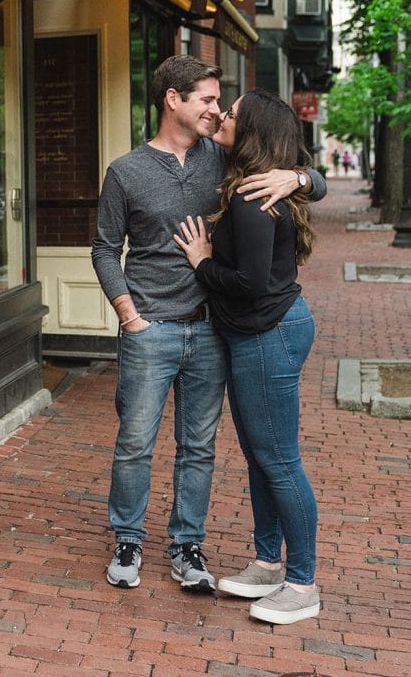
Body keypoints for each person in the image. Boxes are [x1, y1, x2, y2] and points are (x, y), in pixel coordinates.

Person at [91, 56, 325, 594]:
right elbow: (105, 250)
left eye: (221, 104)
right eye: (208, 100)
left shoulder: (222, 161)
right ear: (173, 99)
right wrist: (130, 317)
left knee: (199, 446)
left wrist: (299, 176)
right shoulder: (125, 172)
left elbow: (304, 175)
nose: (217, 112)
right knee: (135, 443)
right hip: (152, 329)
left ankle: (187, 545)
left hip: (213, 330)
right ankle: (128, 538)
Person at [173, 89, 321, 625]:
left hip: (268, 334)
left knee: (279, 461)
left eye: (231, 112)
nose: (222, 116)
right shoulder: (255, 182)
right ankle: (266, 562)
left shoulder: (249, 197)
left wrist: (201, 261)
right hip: (264, 334)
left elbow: (249, 284)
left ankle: (302, 583)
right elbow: (311, 179)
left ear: (252, 130)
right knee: (264, 456)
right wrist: (303, 176)